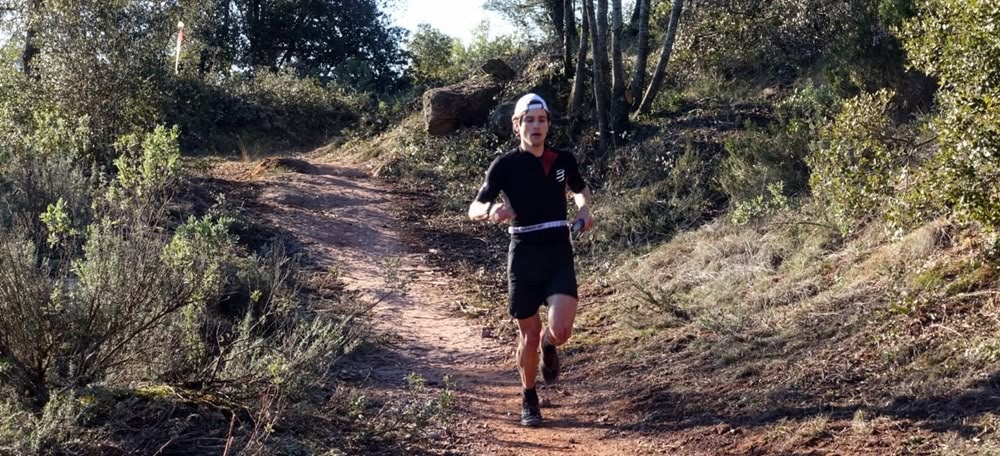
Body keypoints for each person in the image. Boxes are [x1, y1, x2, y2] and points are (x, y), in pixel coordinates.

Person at [467, 93, 594, 427]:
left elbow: (580, 188)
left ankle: (550, 346)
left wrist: (583, 208)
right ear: (517, 125)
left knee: (561, 329)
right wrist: (491, 211)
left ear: (548, 124)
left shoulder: (562, 159)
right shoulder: (505, 165)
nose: (536, 126)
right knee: (528, 333)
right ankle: (529, 397)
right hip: (523, 254)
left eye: (542, 120)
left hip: (556, 251)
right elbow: (474, 207)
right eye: (529, 120)